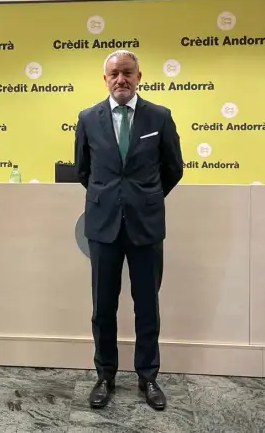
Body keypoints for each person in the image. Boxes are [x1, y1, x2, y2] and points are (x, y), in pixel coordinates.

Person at [73, 49, 184, 411]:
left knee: (147, 305)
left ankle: (148, 376)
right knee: (102, 307)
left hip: (146, 226)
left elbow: (173, 168)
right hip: (103, 227)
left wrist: (144, 198)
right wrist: (113, 199)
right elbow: (83, 171)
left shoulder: (160, 117)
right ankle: (104, 375)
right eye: (114, 74)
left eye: (128, 73)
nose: (121, 79)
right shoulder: (88, 118)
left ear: (139, 77)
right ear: (104, 79)